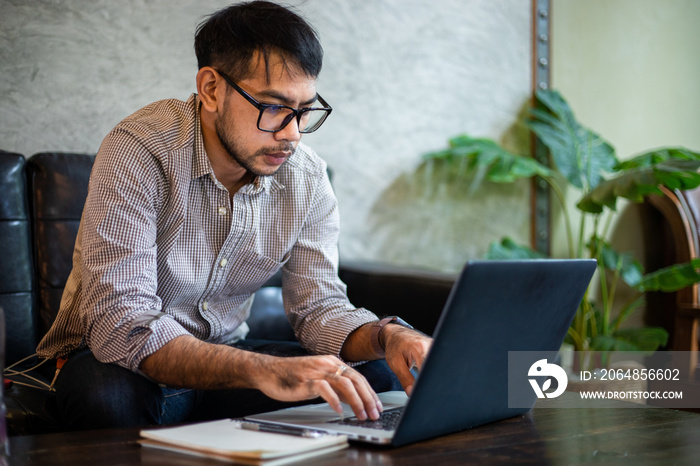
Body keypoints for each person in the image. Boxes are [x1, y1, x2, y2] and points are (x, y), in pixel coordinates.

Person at [37, 0, 432, 430]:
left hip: (225, 363)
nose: (292, 134)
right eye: (274, 107)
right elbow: (121, 324)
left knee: (371, 375)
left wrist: (389, 335)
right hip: (123, 366)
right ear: (211, 89)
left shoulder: (307, 177)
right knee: (104, 392)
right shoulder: (141, 149)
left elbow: (319, 307)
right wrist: (264, 371)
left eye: (303, 111)